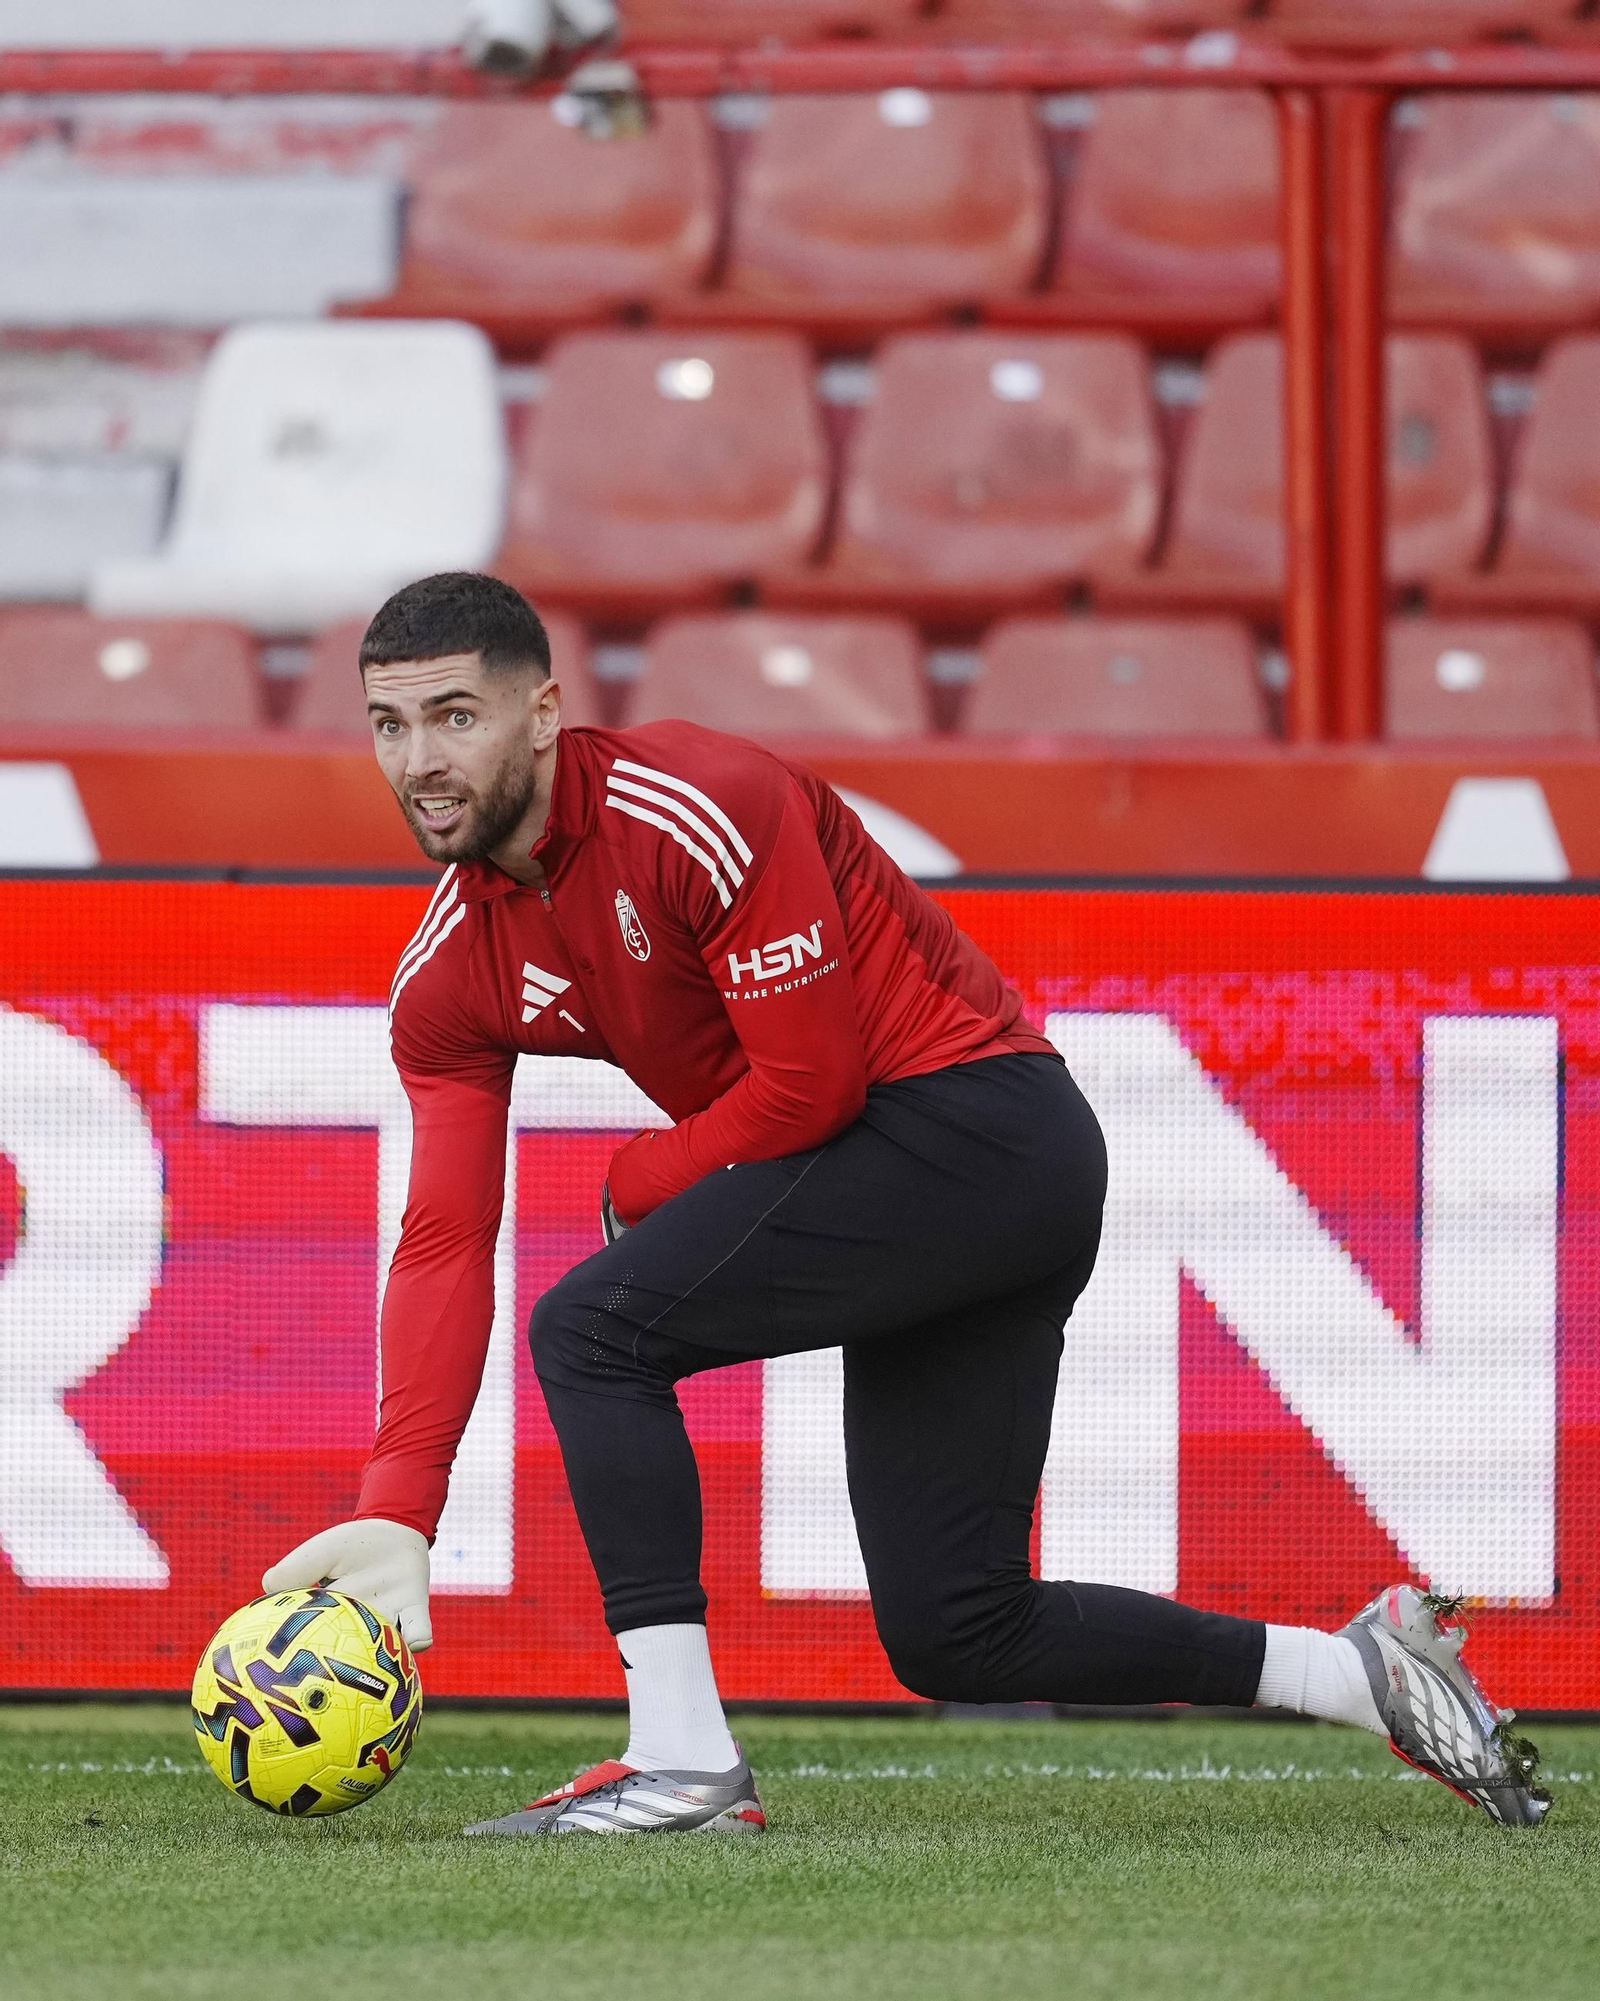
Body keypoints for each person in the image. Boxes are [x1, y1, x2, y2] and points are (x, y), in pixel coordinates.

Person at [264, 573, 1548, 1834]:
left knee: (593, 1331)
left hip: (981, 1132)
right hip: (911, 1186)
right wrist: (398, 1502)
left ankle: (681, 1762)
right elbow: (441, 1240)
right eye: (390, 725)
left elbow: (812, 1085)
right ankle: (1359, 1673)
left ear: (542, 712)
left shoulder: (699, 799)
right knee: (957, 1631)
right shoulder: (452, 970)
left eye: (455, 716)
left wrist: (636, 1179)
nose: (420, 761)